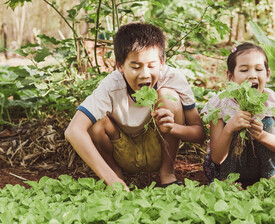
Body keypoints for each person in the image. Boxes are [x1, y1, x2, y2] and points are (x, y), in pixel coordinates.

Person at [65, 22, 206, 191]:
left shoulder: (173, 79)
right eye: (135, 66)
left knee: (169, 97)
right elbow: (73, 131)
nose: (145, 74)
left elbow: (199, 134)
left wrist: (172, 128)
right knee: (94, 121)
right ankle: (116, 175)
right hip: (122, 150)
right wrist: (110, 178)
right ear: (120, 66)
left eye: (152, 65)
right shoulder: (111, 85)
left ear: (162, 62)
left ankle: (167, 173)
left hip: (159, 148)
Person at [201, 42, 275, 188]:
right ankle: (228, 180)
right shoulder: (220, 104)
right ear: (230, 76)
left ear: (267, 74)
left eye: (258, 69)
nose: (252, 75)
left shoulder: (272, 102)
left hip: (259, 168)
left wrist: (262, 135)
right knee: (232, 127)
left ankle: (268, 177)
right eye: (244, 70)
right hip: (224, 169)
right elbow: (217, 158)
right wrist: (229, 128)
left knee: (268, 123)